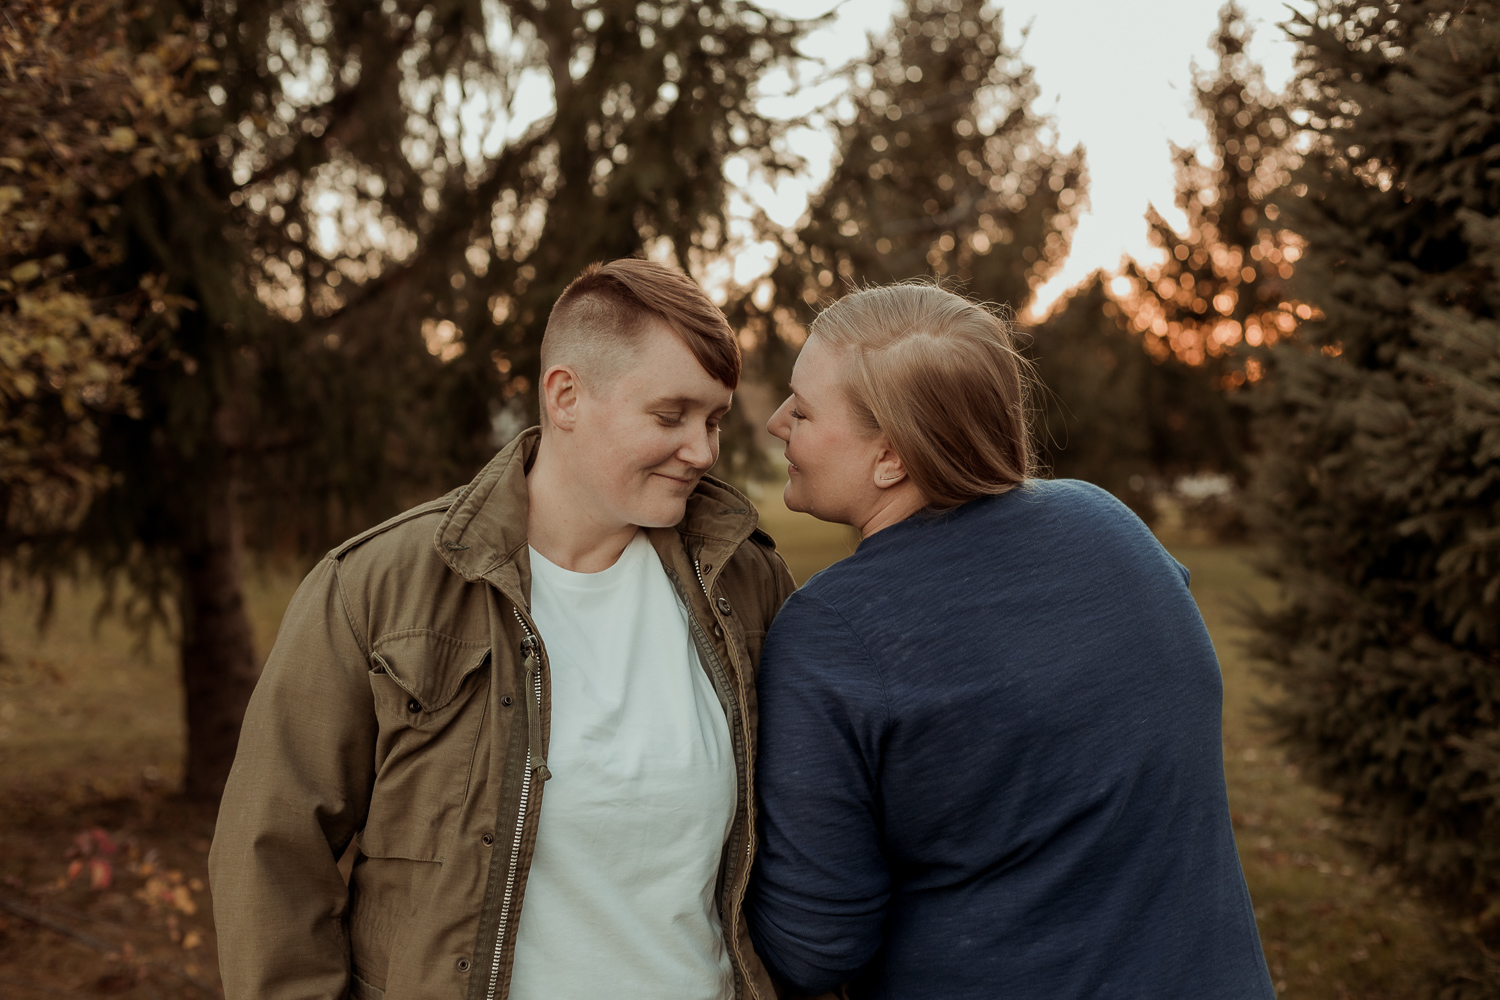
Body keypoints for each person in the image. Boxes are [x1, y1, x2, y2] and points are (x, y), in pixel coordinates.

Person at [210, 258, 794, 1000]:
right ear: (566, 396)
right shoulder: (375, 590)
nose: (704, 452)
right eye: (670, 415)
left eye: (713, 419)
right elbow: (270, 857)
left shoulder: (745, 583)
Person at [747, 283, 1275, 1000]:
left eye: (803, 410)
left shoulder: (833, 634)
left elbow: (817, 946)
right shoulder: (1110, 527)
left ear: (892, 457)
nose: (778, 421)